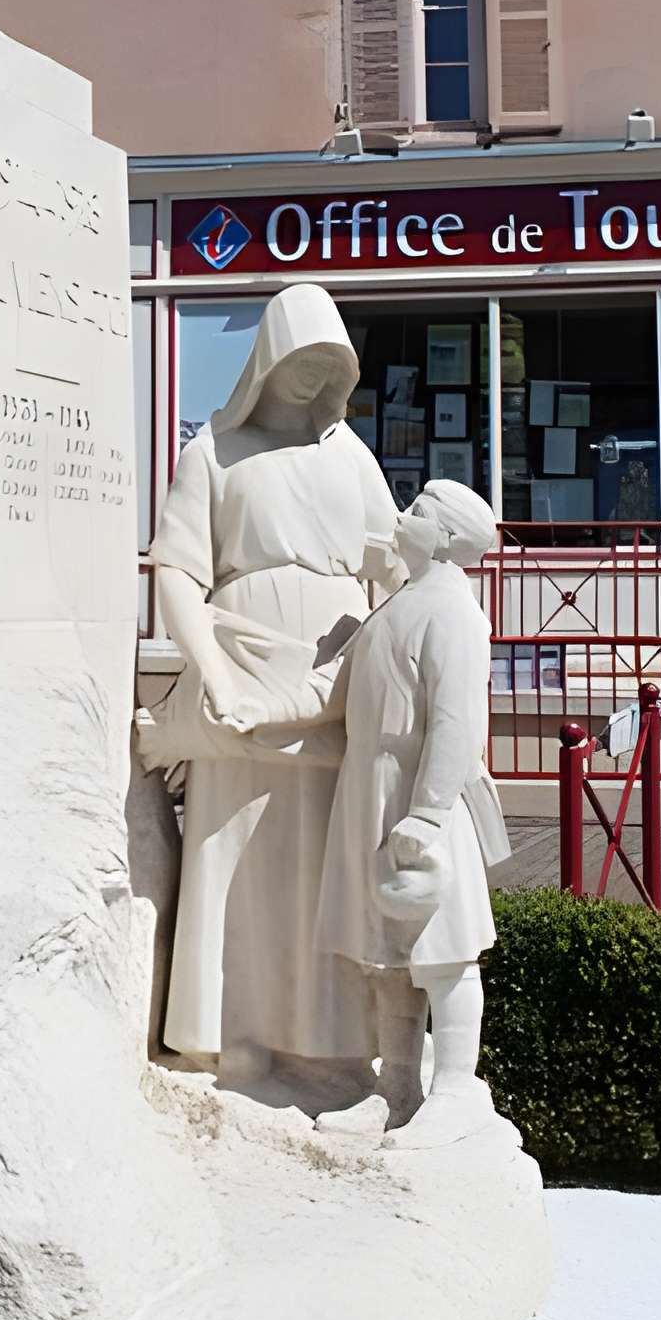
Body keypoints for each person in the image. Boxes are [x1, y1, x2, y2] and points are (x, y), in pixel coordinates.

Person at [136, 284, 403, 1105]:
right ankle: (232, 1041)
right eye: (298, 359)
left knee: (324, 863)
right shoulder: (212, 451)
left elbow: (392, 565)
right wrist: (210, 667)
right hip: (242, 661)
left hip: (332, 674)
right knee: (235, 855)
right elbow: (178, 567)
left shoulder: (350, 457)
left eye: (328, 363)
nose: (309, 376)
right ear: (266, 359)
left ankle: (327, 1050)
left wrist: (392, 644)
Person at [199, 478, 512, 1148]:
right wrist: (257, 708)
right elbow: (334, 687)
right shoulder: (397, 603)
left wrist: (427, 815)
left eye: (421, 512)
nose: (406, 517)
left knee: (444, 951)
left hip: (419, 793)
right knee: (385, 954)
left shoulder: (454, 612)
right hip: (369, 789)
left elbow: (458, 724)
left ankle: (456, 1088)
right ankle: (396, 1086)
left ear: (451, 538)